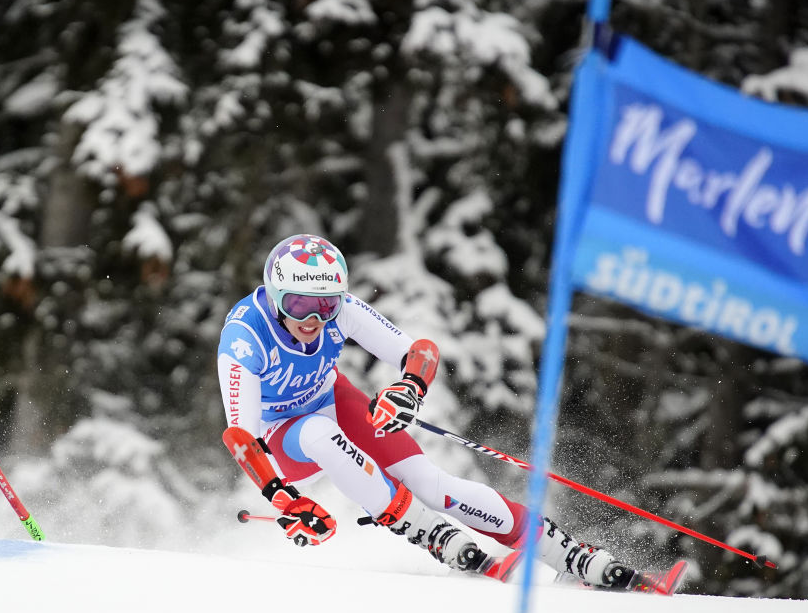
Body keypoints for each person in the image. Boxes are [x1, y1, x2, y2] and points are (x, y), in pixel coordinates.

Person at [217, 233, 659, 588]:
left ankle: (567, 554)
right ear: (276, 296)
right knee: (315, 431)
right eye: (299, 305)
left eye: (326, 305)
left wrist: (408, 387)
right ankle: (429, 533)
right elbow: (242, 437)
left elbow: (420, 351)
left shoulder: (342, 313)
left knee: (431, 483)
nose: (314, 319)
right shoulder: (244, 339)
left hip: (336, 401)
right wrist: (283, 497)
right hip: (280, 440)